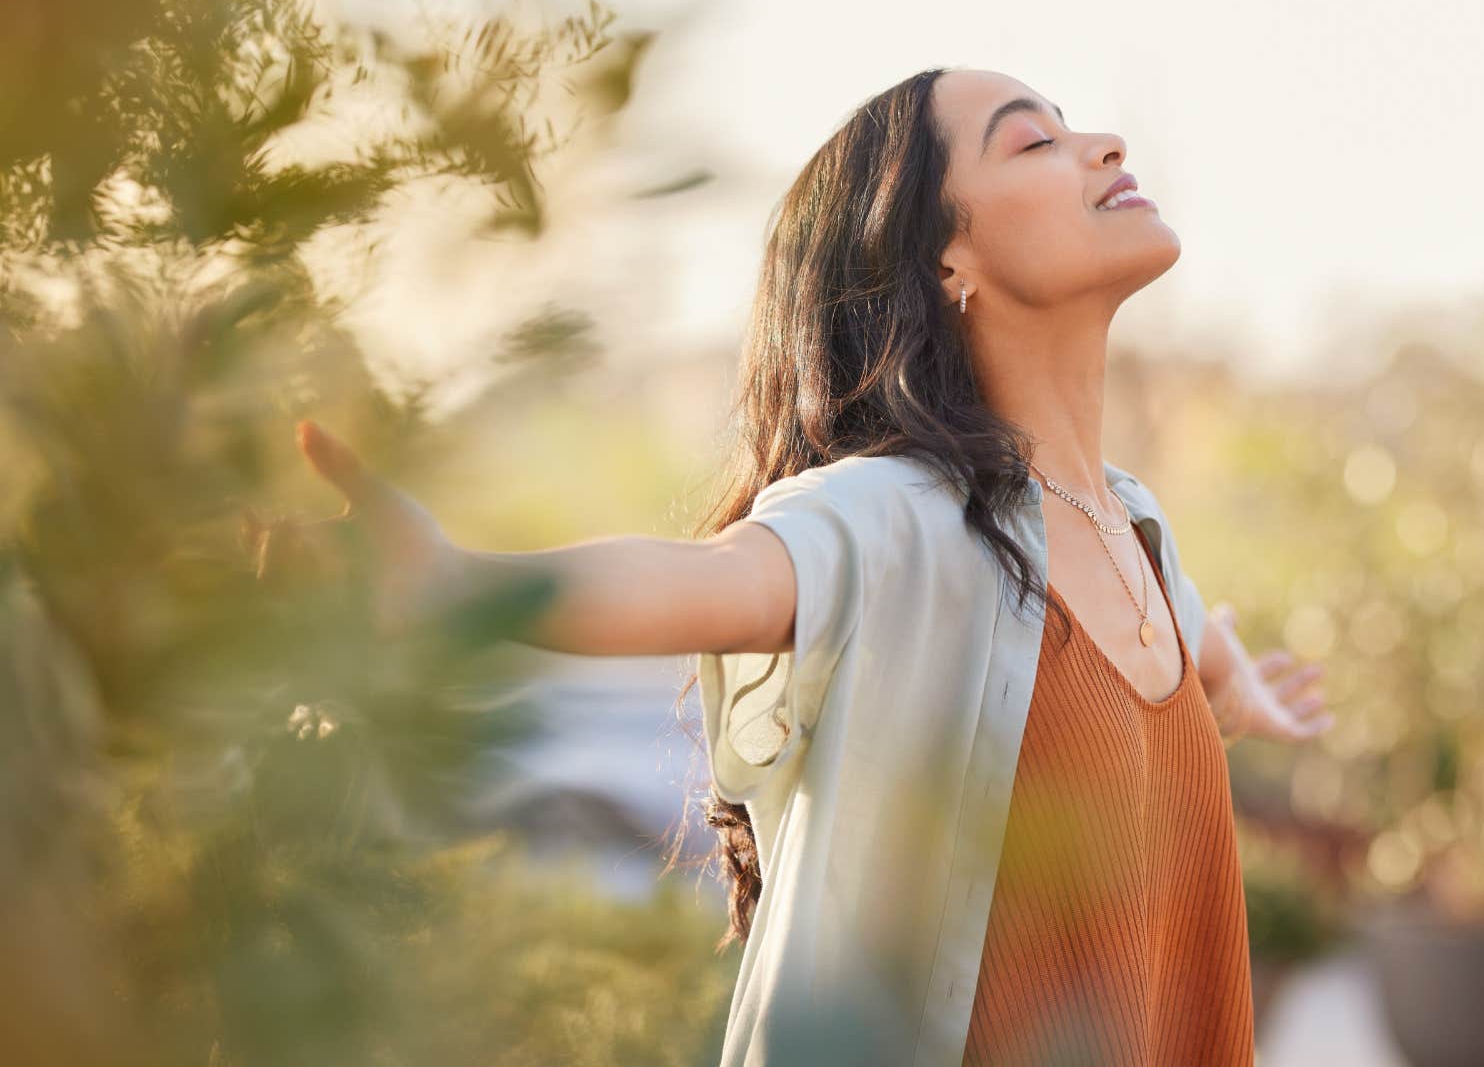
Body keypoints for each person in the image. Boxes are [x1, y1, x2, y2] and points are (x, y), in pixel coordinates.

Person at [274, 66, 1332, 1066]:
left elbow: (1173, 640)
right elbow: (710, 582)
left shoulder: (1135, 528)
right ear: (945, 262)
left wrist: (1226, 680)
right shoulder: (899, 518)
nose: (1105, 145)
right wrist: (460, 586)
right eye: (1038, 141)